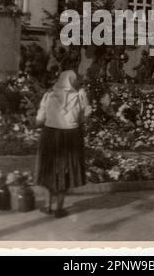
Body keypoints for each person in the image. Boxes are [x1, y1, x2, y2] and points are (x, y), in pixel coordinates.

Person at [35, 70, 90, 218]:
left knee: (49, 169)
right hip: (71, 137)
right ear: (72, 81)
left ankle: (48, 206)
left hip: (50, 136)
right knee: (65, 170)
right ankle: (59, 208)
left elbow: (39, 120)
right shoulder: (79, 97)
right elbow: (86, 116)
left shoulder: (48, 96)